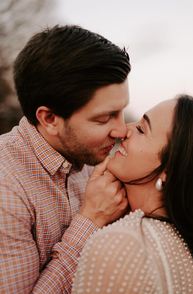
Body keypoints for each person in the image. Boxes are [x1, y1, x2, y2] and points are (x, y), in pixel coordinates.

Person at [0, 25, 130, 293]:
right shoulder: (6, 189)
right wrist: (91, 220)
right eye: (104, 118)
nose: (122, 130)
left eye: (122, 112)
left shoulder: (88, 157)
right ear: (49, 119)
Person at [72, 95, 193, 294]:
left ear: (170, 169)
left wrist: (90, 220)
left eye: (141, 129)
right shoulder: (183, 249)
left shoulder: (119, 244)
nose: (124, 130)